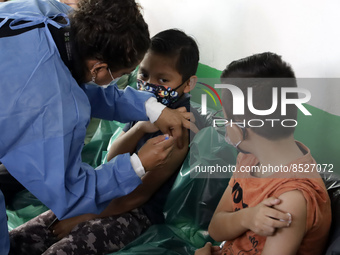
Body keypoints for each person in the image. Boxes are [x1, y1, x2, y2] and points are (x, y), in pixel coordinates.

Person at [0, 0, 193, 253]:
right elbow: (81, 185)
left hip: (132, 211)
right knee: (19, 240)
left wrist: (152, 110)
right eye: (139, 74)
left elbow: (138, 196)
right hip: (102, 197)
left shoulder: (52, 18)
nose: (146, 85)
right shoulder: (50, 108)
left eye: (163, 80)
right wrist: (139, 151)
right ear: (99, 68)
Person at [196, 52, 331, 255]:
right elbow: (216, 229)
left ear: (240, 128)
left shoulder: (290, 200)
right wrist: (247, 217)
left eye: (225, 119)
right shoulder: (249, 158)